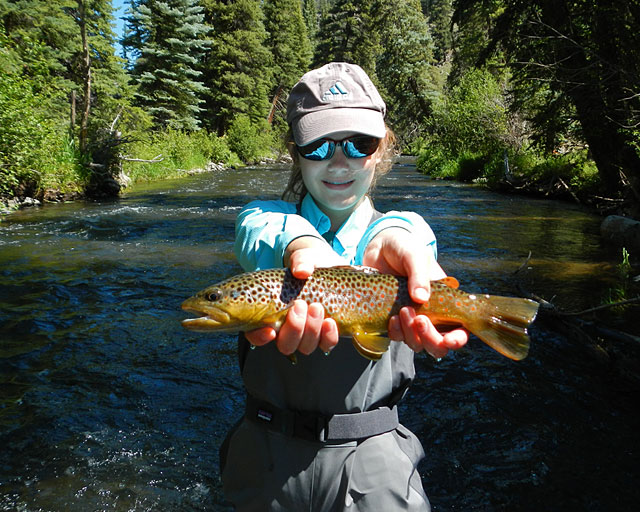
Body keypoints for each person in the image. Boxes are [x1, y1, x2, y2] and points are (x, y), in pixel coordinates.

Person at [221, 62, 468, 511]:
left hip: (374, 470)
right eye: (318, 146)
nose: (339, 161)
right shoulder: (267, 220)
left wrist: (395, 240)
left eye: (359, 143)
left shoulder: (403, 230)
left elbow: (404, 233)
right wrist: (299, 241)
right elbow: (259, 228)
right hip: (265, 461)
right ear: (294, 151)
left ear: (382, 149)